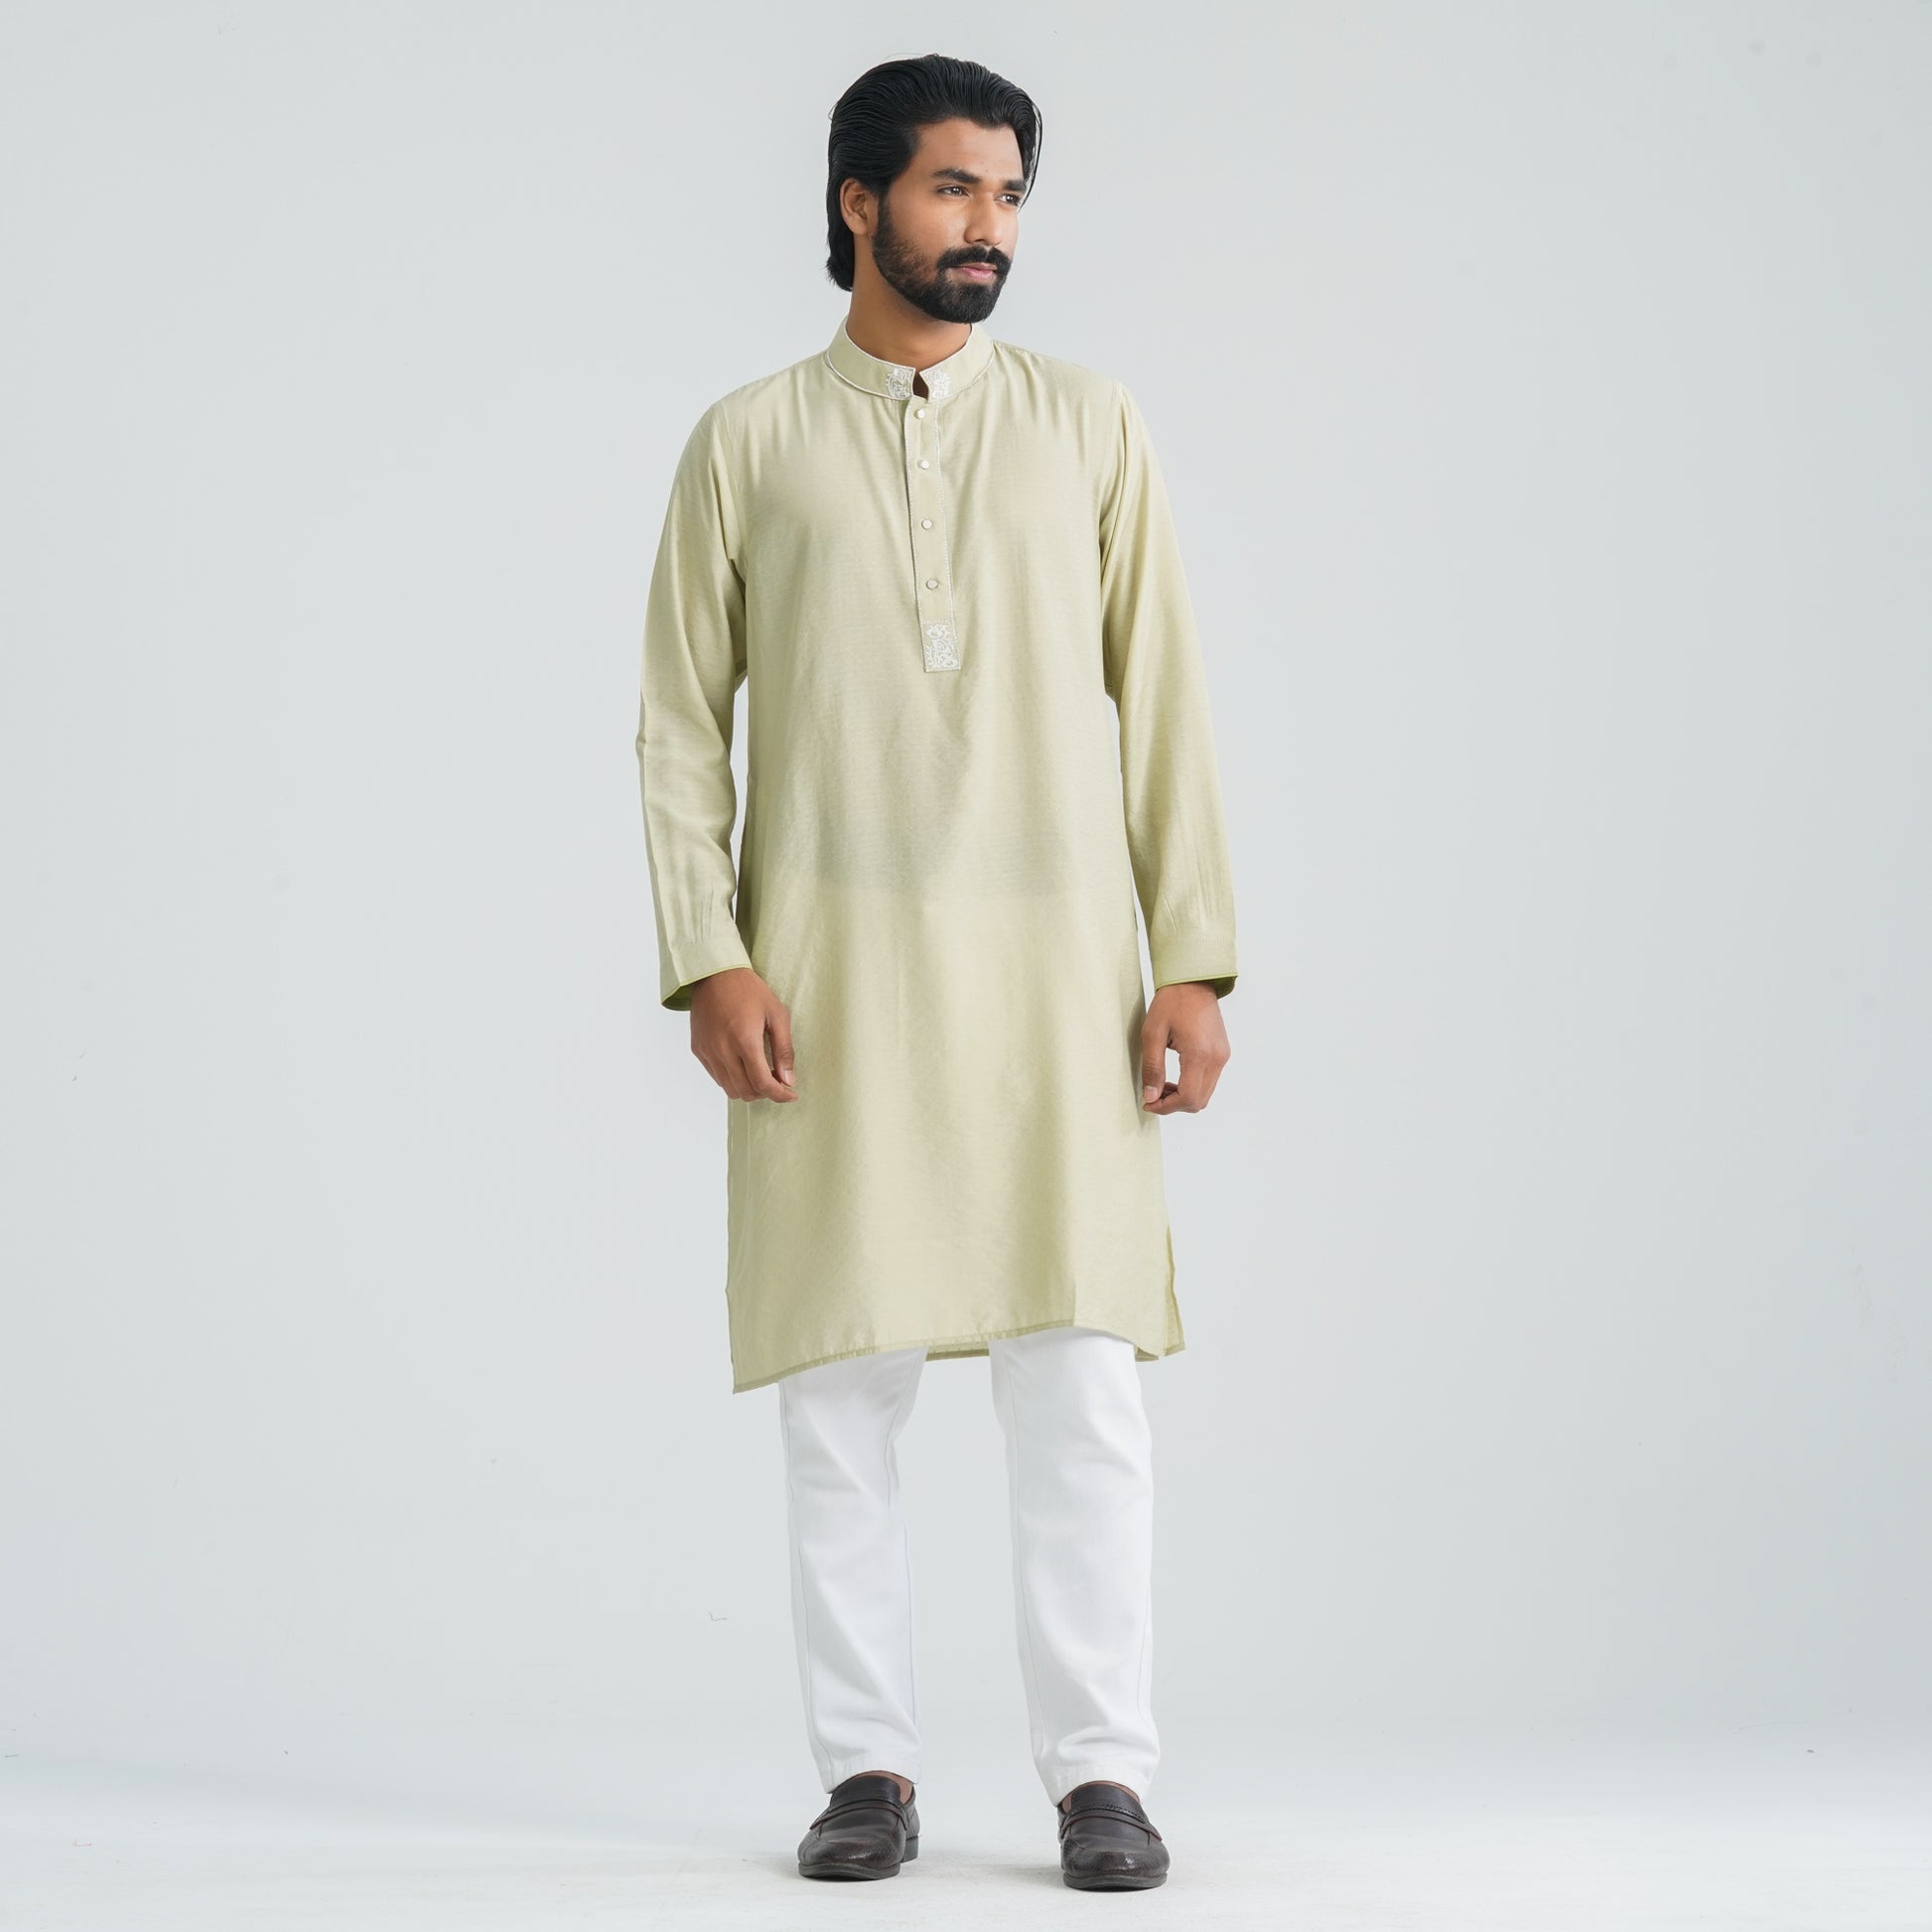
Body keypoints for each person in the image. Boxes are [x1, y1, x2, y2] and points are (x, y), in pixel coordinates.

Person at [635, 52, 1238, 1891]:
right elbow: (678, 727)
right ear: (859, 202)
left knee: (1079, 1383)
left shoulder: (1087, 425)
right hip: (830, 977)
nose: (988, 228)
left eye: (1007, 196)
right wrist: (708, 953)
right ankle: (868, 1771)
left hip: (1061, 977)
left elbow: (1164, 700)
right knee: (843, 1383)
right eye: (953, 189)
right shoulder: (748, 441)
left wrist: (1193, 959)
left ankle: (1101, 1775)